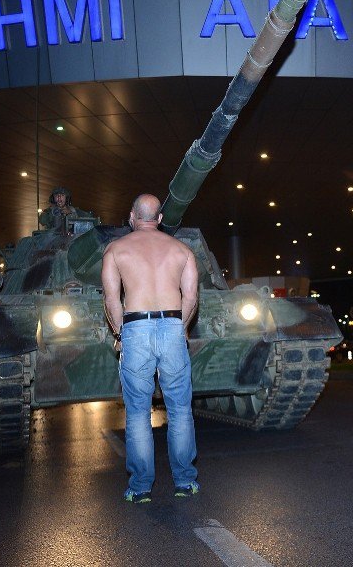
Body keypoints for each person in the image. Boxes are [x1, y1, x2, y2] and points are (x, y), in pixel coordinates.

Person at [101, 193, 200, 503]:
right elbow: (191, 297)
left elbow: (111, 299)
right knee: (180, 411)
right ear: (159, 219)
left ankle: (141, 487)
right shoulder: (182, 250)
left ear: (132, 216)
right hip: (172, 326)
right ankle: (185, 482)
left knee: (138, 414)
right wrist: (180, 329)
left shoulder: (116, 249)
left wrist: (120, 333)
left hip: (135, 329)